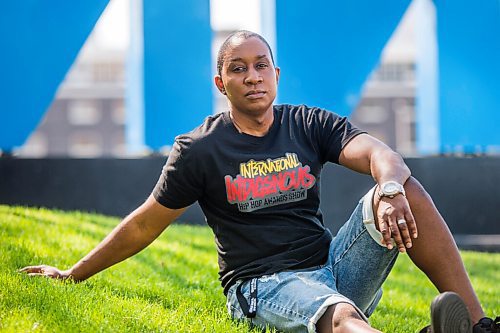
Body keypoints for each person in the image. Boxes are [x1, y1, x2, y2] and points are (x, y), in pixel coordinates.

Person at [20, 30, 498, 333]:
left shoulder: (305, 123)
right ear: (220, 83)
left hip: (332, 267)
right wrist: (72, 273)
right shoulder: (200, 149)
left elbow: (379, 153)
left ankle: (479, 327)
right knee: (343, 317)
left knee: (402, 188)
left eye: (260, 65)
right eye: (238, 68)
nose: (252, 76)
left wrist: (390, 191)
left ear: (276, 74)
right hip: (262, 287)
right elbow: (145, 224)